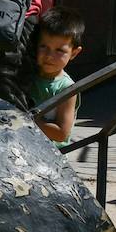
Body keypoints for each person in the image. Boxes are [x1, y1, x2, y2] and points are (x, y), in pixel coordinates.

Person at [28, 9, 84, 149]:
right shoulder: (29, 74)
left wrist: (25, 120)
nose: (49, 56)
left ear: (74, 53)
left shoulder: (66, 88)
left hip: (51, 154)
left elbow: (61, 133)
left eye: (59, 50)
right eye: (44, 47)